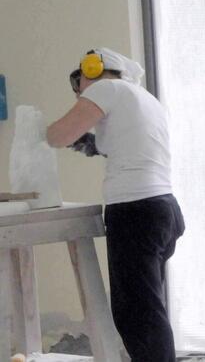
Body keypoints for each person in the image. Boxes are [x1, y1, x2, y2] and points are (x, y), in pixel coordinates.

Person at [47, 47, 184, 362]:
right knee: (149, 309)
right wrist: (96, 144)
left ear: (92, 70)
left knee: (138, 315)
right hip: (163, 209)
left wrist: (40, 132)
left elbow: (59, 135)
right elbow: (133, 145)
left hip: (135, 211)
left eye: (79, 86)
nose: (80, 95)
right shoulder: (143, 97)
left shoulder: (106, 89)